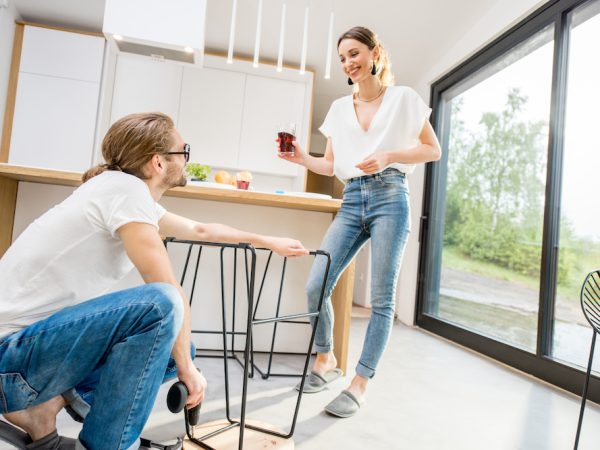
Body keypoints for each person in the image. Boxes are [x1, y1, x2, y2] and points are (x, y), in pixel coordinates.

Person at [0, 112, 309, 450]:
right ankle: (109, 445)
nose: (188, 158)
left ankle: (48, 409)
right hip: (9, 361)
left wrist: (268, 240)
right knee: (160, 305)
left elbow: (200, 230)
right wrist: (190, 371)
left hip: (23, 359)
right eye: (183, 150)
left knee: (177, 348)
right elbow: (168, 291)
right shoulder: (125, 191)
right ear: (157, 162)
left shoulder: (123, 192)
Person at [279, 26, 441, 418]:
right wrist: (303, 158)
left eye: (354, 53)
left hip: (391, 195)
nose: (349, 63)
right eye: (343, 58)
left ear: (374, 53)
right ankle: (326, 359)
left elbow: (432, 150)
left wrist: (388, 156)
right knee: (318, 280)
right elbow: (332, 165)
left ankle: (360, 383)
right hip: (351, 199)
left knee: (383, 298)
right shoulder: (338, 108)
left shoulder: (403, 99)